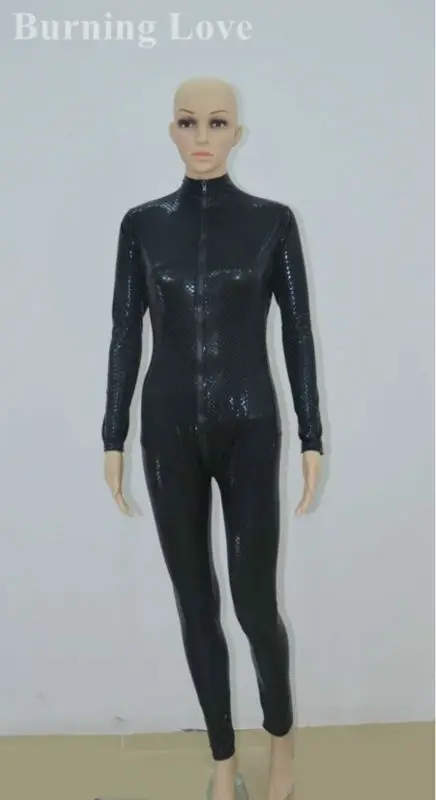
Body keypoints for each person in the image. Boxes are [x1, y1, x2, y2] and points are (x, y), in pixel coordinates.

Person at [102, 76, 323, 800]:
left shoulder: (272, 222)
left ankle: (281, 742)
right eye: (188, 122)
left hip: (250, 425)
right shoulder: (142, 226)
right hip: (166, 432)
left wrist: (312, 435)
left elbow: (296, 333)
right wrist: (113, 435)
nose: (202, 137)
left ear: (237, 133)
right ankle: (224, 761)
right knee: (195, 602)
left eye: (218, 123)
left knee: (254, 604)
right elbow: (124, 335)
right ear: (171, 130)